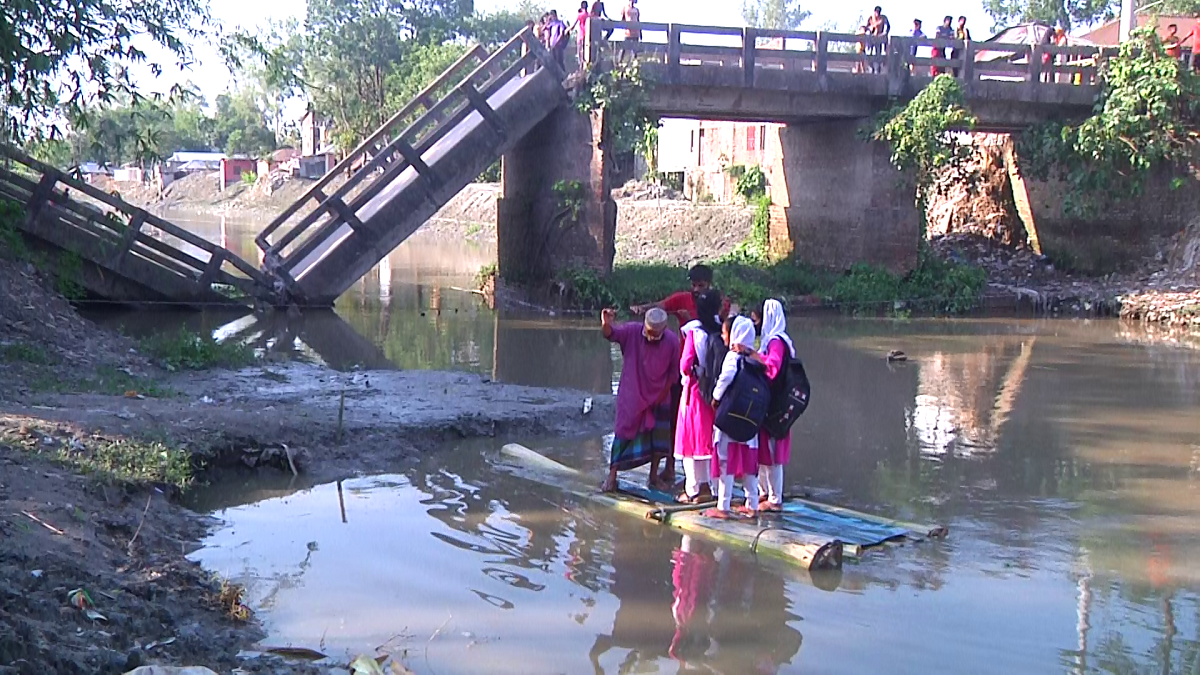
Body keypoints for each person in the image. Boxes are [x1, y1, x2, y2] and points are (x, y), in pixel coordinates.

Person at [602, 307, 681, 492]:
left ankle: (653, 476)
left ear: (664, 330)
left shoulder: (672, 341)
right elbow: (611, 334)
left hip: (660, 395)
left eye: (656, 334)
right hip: (633, 393)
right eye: (649, 333)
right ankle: (612, 476)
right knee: (623, 432)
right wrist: (606, 323)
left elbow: (673, 374)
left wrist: (662, 394)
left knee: (658, 439)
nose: (651, 337)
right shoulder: (631, 331)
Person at [705, 315, 760, 519]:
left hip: (731, 415)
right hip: (750, 416)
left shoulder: (733, 357)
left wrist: (715, 398)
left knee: (725, 460)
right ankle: (752, 504)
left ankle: (723, 506)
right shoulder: (756, 358)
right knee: (749, 463)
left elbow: (725, 378)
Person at [674, 289, 724, 505]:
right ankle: (710, 487)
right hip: (713, 393)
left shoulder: (694, 332)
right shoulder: (720, 331)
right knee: (708, 440)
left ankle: (693, 490)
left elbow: (685, 365)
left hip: (695, 392)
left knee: (690, 441)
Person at [755, 299, 795, 512]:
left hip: (774, 405)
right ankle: (764, 492)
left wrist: (753, 357)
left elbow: (772, 369)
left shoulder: (776, 342)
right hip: (768, 403)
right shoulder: (773, 341)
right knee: (764, 451)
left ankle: (775, 499)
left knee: (773, 453)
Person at [630, 264, 730, 330]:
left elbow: (719, 332)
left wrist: (690, 320)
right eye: (693, 285)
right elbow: (660, 305)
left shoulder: (720, 303)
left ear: (709, 284)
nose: (696, 290)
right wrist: (642, 308)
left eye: (701, 286)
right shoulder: (682, 298)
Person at [866, 6, 890, 74]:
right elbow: (867, 27)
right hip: (871, 38)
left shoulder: (883, 18)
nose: (877, 13)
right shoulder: (871, 18)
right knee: (869, 53)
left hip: (879, 39)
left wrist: (883, 34)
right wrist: (870, 29)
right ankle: (871, 68)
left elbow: (886, 27)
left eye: (878, 12)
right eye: (876, 12)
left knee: (878, 54)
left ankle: (878, 69)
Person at [572, 2, 591, 67]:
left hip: (581, 35)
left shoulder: (580, 15)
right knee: (586, 52)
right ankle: (585, 67)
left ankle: (581, 67)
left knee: (580, 53)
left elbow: (573, 25)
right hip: (587, 36)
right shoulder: (589, 15)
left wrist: (567, 30)